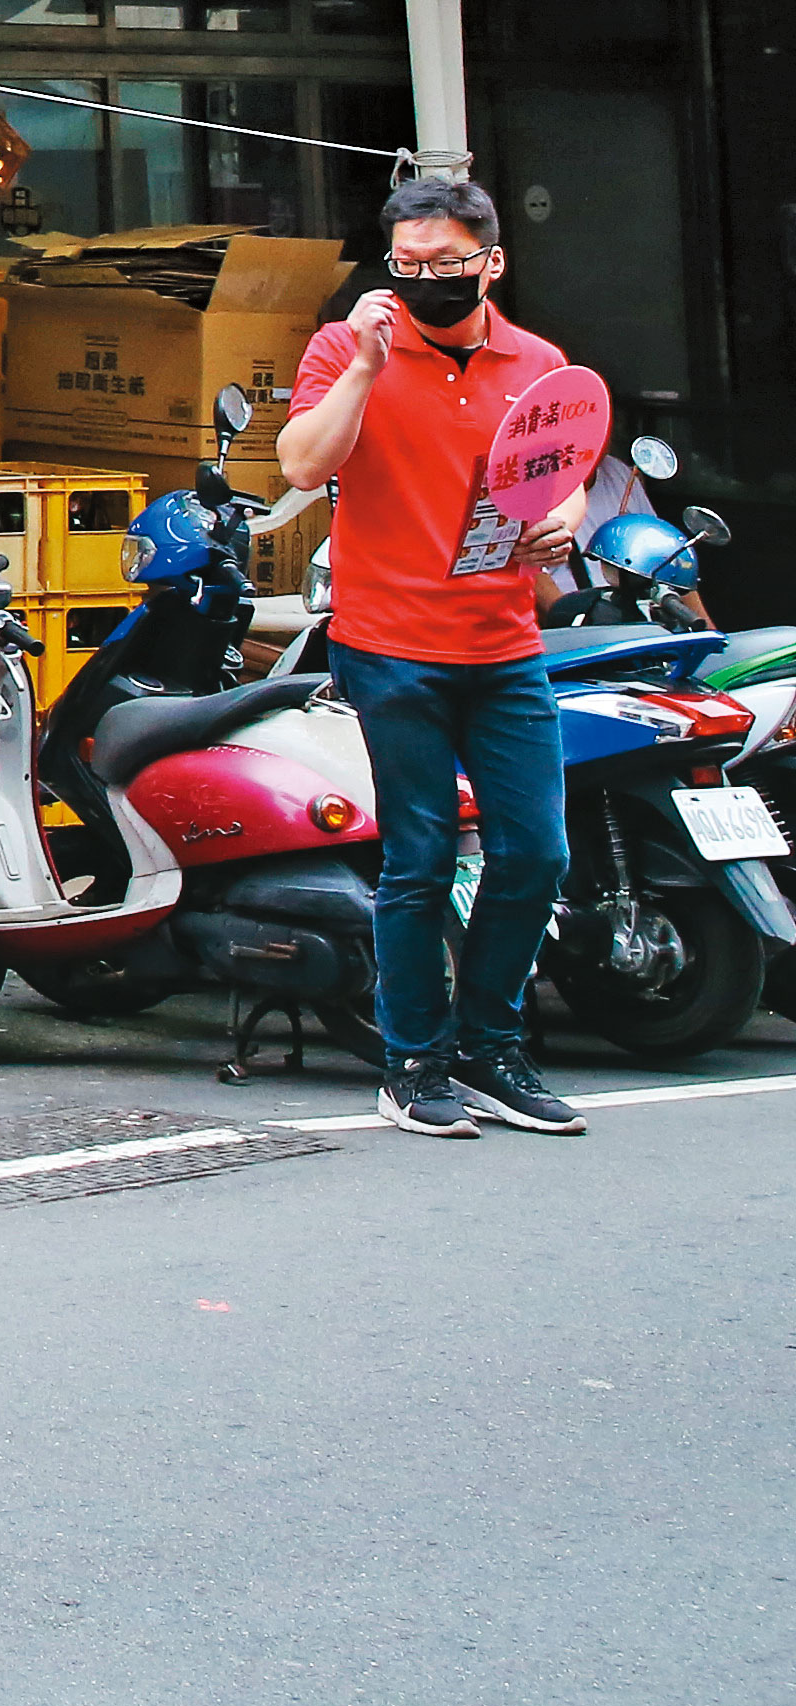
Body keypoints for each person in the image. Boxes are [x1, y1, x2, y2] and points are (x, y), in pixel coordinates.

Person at [277, 173, 590, 1139]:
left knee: (537, 852)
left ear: (490, 263)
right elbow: (300, 464)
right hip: (389, 644)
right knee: (416, 857)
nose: (423, 280)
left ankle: (493, 1047)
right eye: (405, 265)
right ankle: (414, 1063)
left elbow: (564, 479)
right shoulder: (345, 347)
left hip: (503, 643)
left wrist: (568, 518)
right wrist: (368, 367)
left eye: (445, 264)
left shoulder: (538, 365)